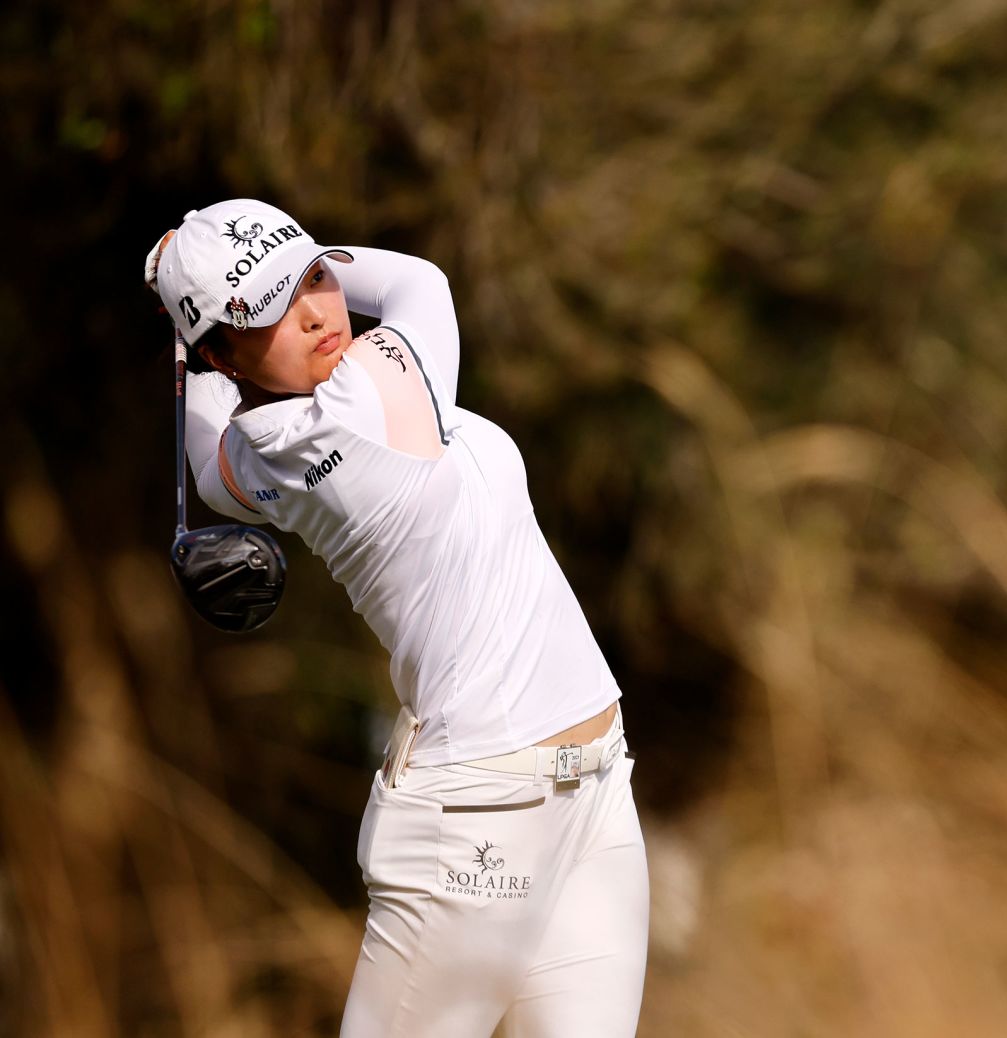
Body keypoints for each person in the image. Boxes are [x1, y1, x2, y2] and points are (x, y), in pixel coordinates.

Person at [144, 199, 650, 1036]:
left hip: (593, 786)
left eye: (312, 277)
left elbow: (204, 461)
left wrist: (188, 329)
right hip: (476, 821)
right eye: (270, 309)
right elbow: (418, 280)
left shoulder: (252, 456)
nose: (314, 312)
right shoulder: (365, 396)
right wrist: (218, 289)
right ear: (230, 350)